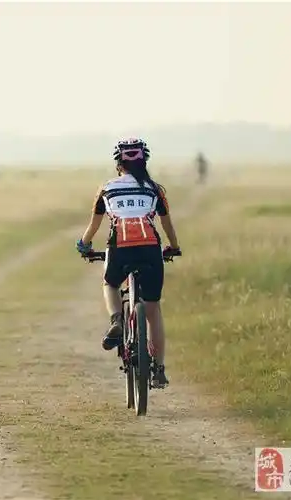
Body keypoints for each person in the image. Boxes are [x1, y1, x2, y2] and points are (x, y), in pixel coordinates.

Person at [75, 138, 181, 388]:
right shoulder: (155, 189)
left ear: (118, 163)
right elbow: (167, 225)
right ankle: (159, 370)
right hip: (150, 250)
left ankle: (116, 321)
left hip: (119, 248)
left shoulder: (107, 188)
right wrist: (174, 247)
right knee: (153, 310)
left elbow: (94, 226)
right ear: (144, 161)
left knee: (110, 284)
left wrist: (84, 246)